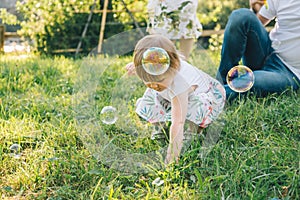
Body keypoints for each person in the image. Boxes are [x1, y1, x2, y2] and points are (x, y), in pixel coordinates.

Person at [125, 34, 225, 164]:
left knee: (190, 108)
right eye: (147, 81)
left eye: (159, 80)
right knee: (151, 95)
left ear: (175, 66)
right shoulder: (159, 73)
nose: (154, 85)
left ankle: (193, 131)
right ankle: (159, 127)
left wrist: (172, 155)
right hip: (173, 93)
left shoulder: (180, 83)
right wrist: (136, 66)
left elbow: (178, 122)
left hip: (204, 98)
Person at [216, 0, 300, 101]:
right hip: (267, 52)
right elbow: (255, 23)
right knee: (241, 16)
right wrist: (255, 8)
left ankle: (212, 97)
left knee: (253, 81)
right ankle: (219, 82)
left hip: (290, 73)